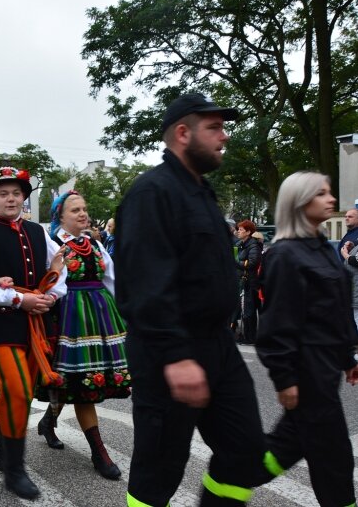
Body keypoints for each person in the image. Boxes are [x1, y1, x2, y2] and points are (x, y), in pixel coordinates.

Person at [115, 93, 268, 506]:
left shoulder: (203, 193)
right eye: (215, 127)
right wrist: (177, 356)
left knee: (245, 450)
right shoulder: (152, 192)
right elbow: (146, 285)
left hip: (218, 346)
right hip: (168, 349)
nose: (225, 136)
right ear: (183, 133)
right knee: (160, 468)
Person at [257, 172, 358, 507]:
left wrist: (348, 359)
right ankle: (232, 476)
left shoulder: (324, 250)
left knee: (293, 446)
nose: (331, 200)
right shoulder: (284, 255)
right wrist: (285, 379)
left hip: (325, 369)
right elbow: (277, 326)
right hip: (307, 370)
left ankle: (233, 474)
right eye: (321, 194)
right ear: (299, 202)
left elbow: (337, 310)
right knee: (335, 460)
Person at [0, 166, 66, 500]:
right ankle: (15, 469)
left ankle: (2, 448)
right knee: (18, 390)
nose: (11, 198)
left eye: (17, 193)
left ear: (24, 197)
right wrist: (20, 298)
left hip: (35, 322)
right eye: (3, 193)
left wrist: (53, 293)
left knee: (15, 392)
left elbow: (59, 267)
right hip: (0, 322)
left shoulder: (39, 231)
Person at [35, 190, 129, 479]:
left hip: (100, 319)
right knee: (81, 387)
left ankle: (48, 420)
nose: (83, 214)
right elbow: (47, 284)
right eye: (75, 210)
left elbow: (112, 281)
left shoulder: (95, 245)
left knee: (78, 383)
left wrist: (128, 315)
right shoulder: (53, 246)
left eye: (84, 209)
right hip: (69, 321)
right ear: (60, 216)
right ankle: (99, 454)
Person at [235, 220, 261, 345]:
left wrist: (236, 263)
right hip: (242, 280)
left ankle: (250, 338)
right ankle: (245, 335)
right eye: (238, 229)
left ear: (248, 232)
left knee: (249, 311)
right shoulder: (241, 244)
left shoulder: (253, 245)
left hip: (250, 282)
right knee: (243, 310)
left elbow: (252, 263)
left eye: (241, 230)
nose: (238, 231)